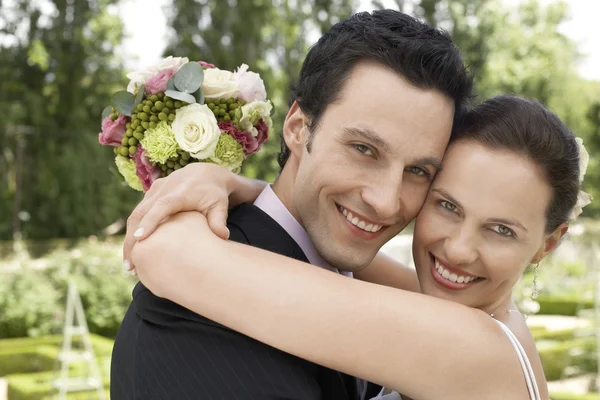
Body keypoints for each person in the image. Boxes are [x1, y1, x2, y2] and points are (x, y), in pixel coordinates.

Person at [110, 9, 473, 400]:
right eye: (364, 149)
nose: (386, 203)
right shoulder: (191, 307)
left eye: (418, 171)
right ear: (298, 128)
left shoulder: (350, 287)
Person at [127, 95, 588, 400]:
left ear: (548, 243)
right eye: (447, 205)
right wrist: (233, 182)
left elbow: (171, 257)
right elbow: (318, 237)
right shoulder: (468, 313)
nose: (459, 250)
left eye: (501, 230)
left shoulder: (479, 350)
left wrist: (168, 220)